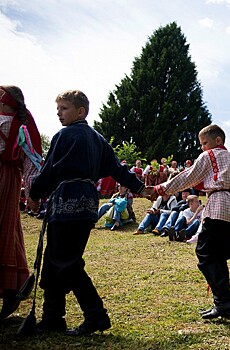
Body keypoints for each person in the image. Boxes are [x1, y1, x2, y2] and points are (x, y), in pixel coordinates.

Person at [29, 90, 148, 335]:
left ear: (80, 111)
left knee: (66, 262)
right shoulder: (98, 139)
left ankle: (96, 315)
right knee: (55, 260)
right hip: (87, 203)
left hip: (68, 201)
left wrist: (34, 193)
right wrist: (139, 187)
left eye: (64, 108)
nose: (59, 113)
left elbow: (50, 169)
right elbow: (117, 168)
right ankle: (53, 317)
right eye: (58, 108)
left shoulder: (64, 135)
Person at [149, 124, 230, 319]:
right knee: (218, 257)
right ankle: (224, 302)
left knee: (205, 254)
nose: (202, 147)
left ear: (217, 141)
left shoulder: (209, 156)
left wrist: (160, 189)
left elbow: (188, 176)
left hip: (218, 204)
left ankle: (224, 302)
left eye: (204, 143)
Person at [0, 85, 42, 321]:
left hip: (3, 178)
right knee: (9, 231)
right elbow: (32, 162)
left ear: (5, 102)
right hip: (9, 181)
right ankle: (11, 288)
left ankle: (10, 291)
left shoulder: (5, 122)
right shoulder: (23, 126)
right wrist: (34, 195)